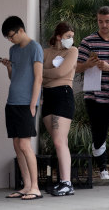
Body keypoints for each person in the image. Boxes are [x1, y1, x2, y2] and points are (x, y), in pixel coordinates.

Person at [75, 6, 109, 179]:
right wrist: (87, 65)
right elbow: (75, 68)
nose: (103, 25)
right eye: (100, 21)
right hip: (94, 94)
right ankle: (102, 168)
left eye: (106, 21)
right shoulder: (88, 41)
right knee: (98, 132)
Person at [0, 16, 44, 201]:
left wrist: (33, 104)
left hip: (26, 103)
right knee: (17, 145)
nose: (10, 40)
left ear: (20, 30)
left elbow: (38, 78)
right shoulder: (13, 50)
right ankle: (26, 186)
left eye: (11, 36)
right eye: (8, 38)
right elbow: (15, 77)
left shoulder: (35, 48)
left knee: (25, 145)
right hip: (12, 102)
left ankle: (35, 187)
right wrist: (9, 67)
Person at [42, 22, 78, 196]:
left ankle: (66, 182)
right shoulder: (46, 52)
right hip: (48, 96)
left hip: (63, 95)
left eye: (72, 37)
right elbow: (39, 78)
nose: (71, 40)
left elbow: (61, 73)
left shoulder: (72, 51)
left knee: (59, 140)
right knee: (58, 141)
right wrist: (45, 74)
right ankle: (63, 180)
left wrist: (42, 72)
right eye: (68, 36)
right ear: (58, 36)